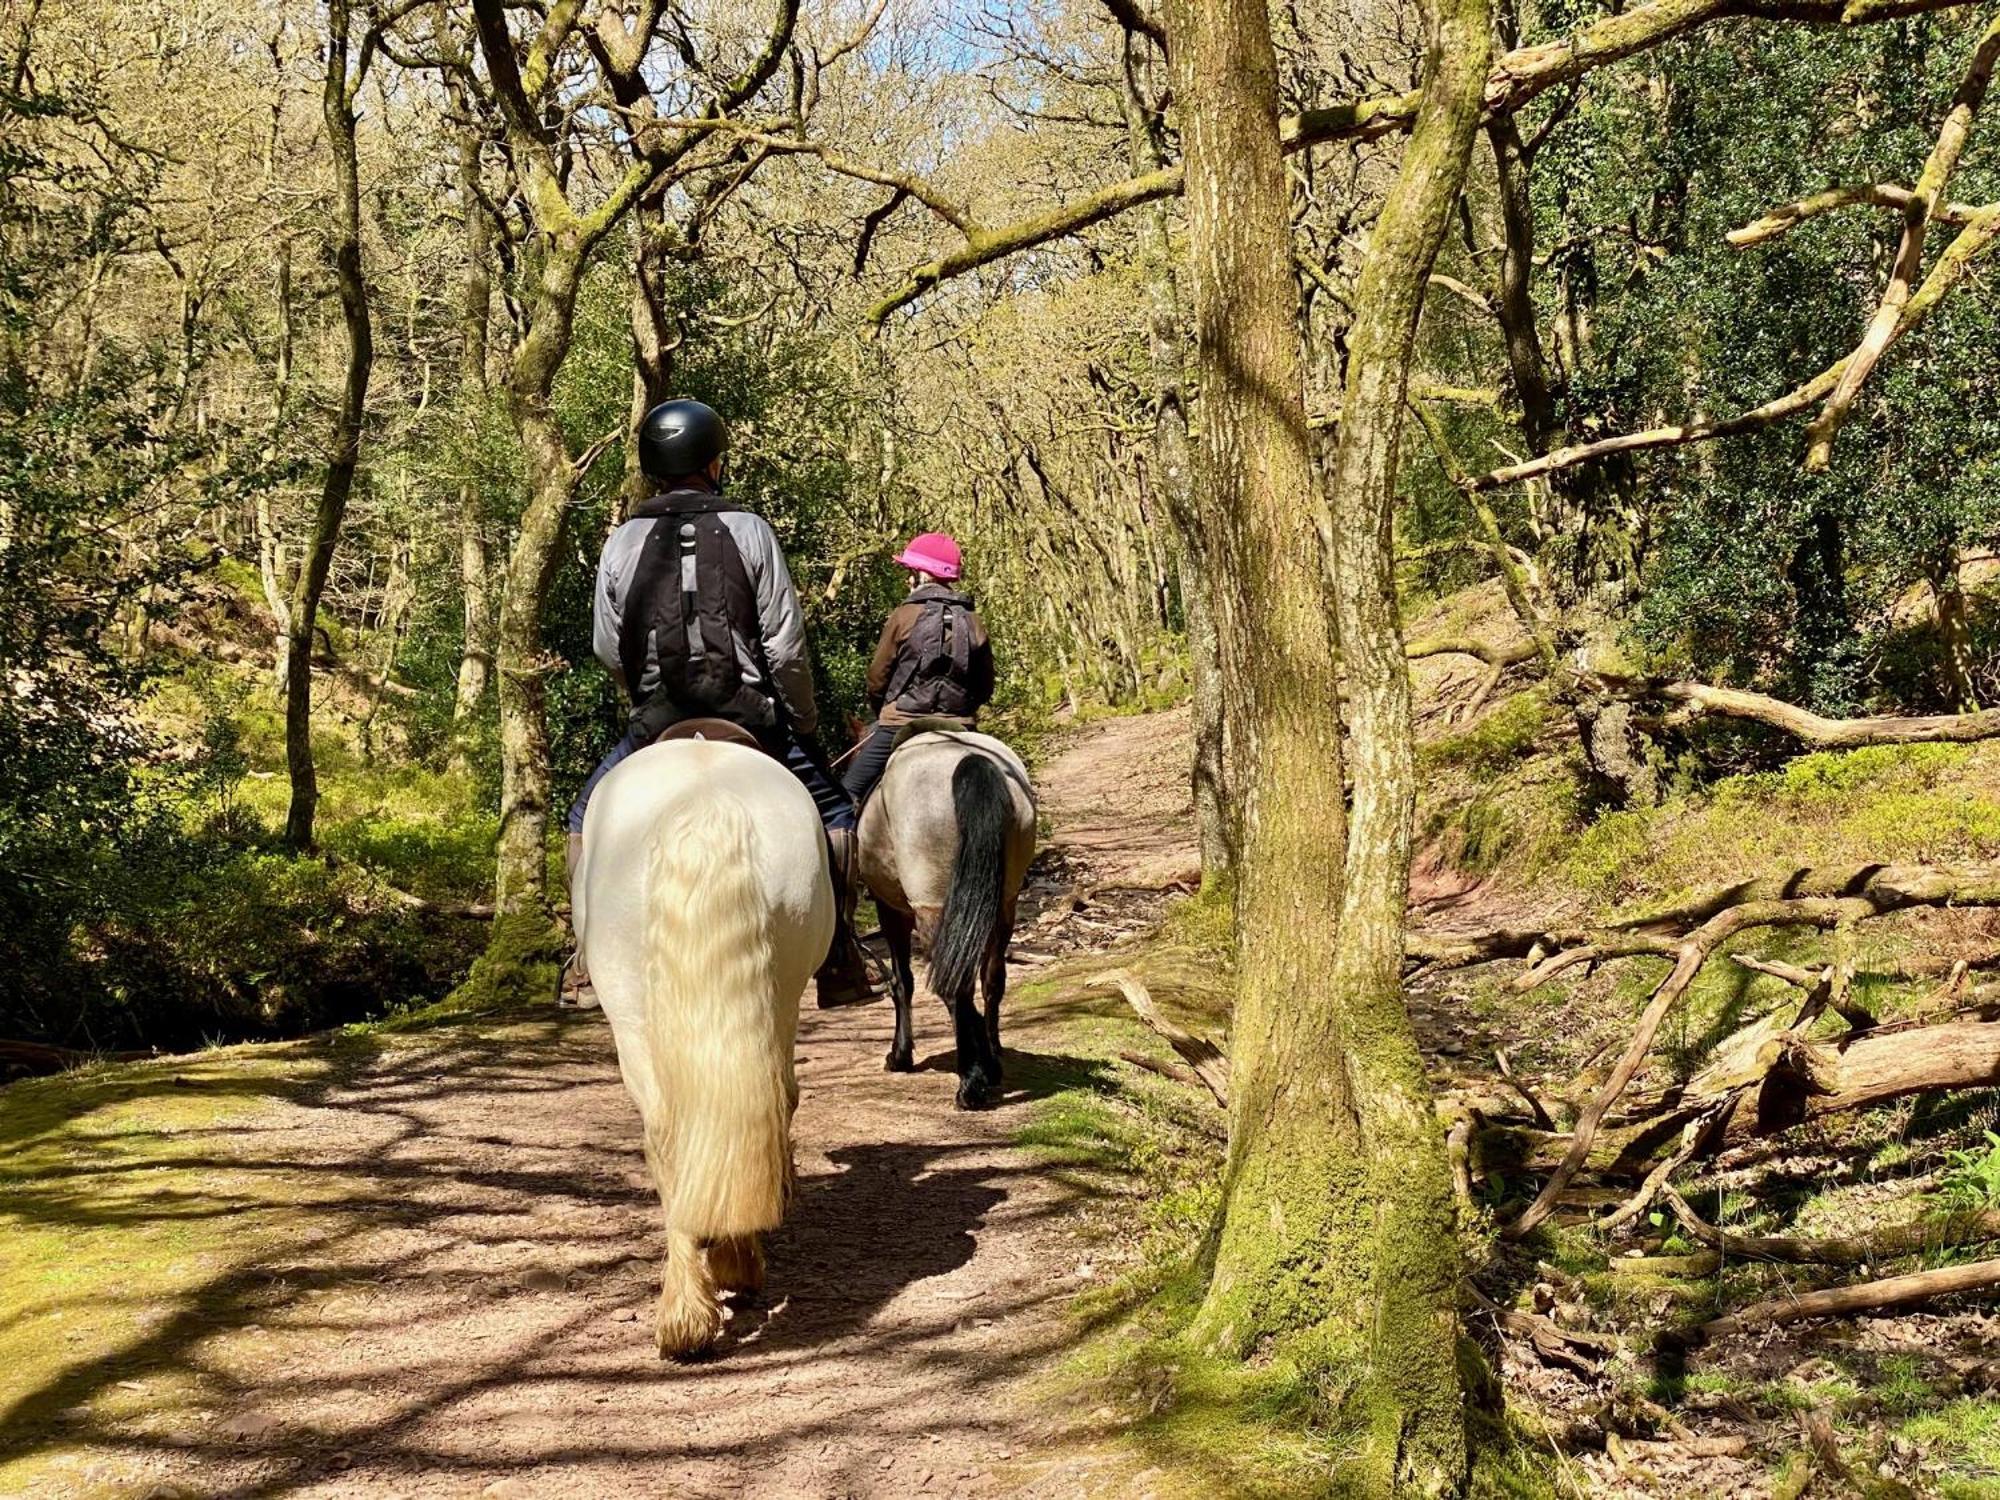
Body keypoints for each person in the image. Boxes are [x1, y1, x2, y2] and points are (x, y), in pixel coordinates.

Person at [566, 398, 876, 1005]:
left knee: (583, 820)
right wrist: (802, 721)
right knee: (837, 815)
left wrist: (644, 691)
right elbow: (785, 646)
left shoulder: (621, 541)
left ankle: (581, 962)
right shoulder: (750, 528)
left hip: (657, 720)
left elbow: (608, 646)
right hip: (750, 715)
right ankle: (841, 957)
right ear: (712, 461)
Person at [842, 532, 995, 808]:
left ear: (922, 574)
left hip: (900, 722)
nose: (907, 578)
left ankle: (844, 846)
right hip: (960, 724)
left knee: (846, 792)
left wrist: (884, 712)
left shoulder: (903, 615)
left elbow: (877, 677)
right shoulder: (973, 620)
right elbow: (985, 686)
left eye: (909, 571)